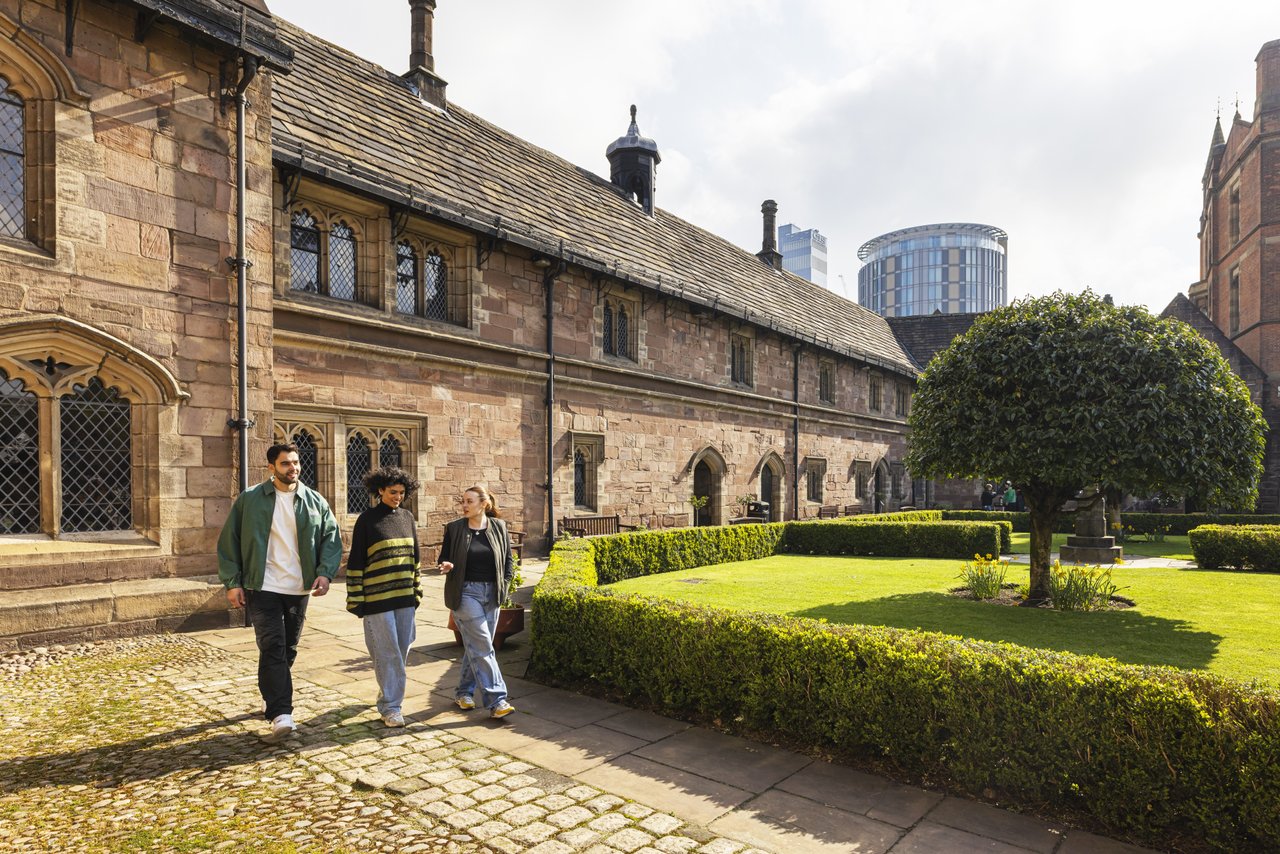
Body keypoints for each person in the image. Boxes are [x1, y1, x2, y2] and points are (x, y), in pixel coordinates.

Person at [217, 443, 341, 742]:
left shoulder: (314, 501)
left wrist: (325, 572)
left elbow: (331, 538)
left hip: (298, 588)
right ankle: (281, 712)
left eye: (296, 463)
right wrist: (232, 582)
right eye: (286, 463)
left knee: (288, 648)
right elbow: (229, 541)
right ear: (271, 467)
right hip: (263, 585)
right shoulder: (250, 499)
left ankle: (271, 691)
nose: (293, 468)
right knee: (272, 645)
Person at [346, 466, 422, 728]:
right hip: (377, 600)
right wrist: (356, 599)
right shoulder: (367, 520)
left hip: (404, 598)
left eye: (402, 492)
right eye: (392, 492)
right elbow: (356, 561)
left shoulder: (407, 518)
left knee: (401, 650)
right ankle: (391, 707)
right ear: (380, 490)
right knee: (387, 652)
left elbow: (416, 559)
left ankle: (386, 693)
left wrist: (417, 592)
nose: (398, 497)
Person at [438, 485, 516, 719]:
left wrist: (506, 583)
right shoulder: (454, 528)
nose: (464, 506)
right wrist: (447, 565)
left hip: (492, 593)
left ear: (484, 504)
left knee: (478, 646)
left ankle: (463, 692)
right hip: (465, 593)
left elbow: (508, 560)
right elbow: (445, 556)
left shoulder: (499, 527)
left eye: (469, 501)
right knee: (483, 645)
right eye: (462, 501)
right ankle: (497, 700)